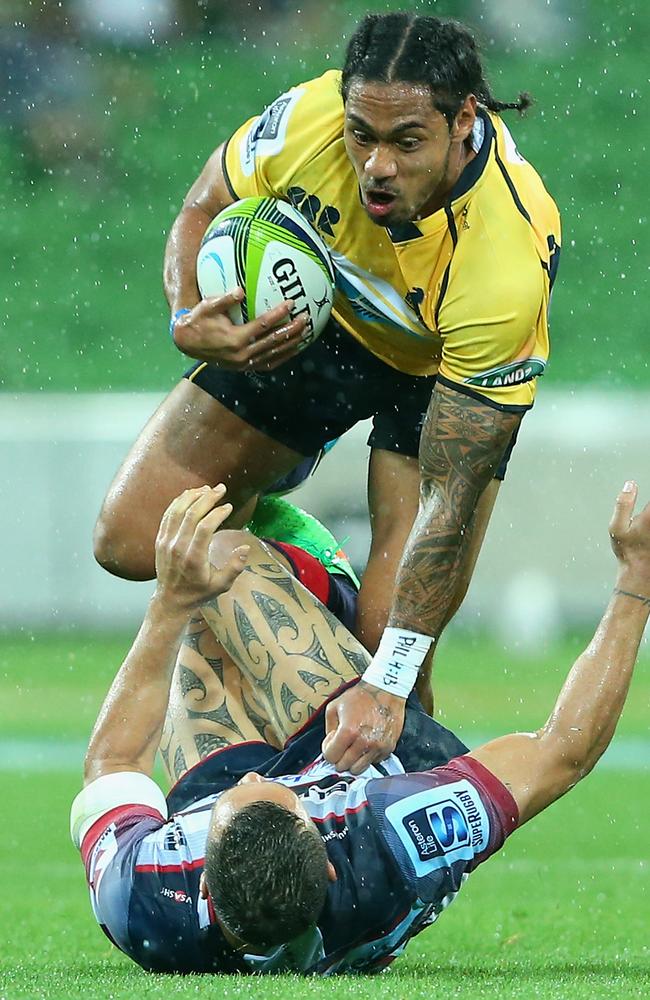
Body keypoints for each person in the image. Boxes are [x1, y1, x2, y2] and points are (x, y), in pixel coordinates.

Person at [93, 12, 561, 736]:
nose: (376, 166)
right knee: (129, 542)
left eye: (407, 142)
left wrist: (395, 674)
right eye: (362, 136)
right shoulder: (312, 116)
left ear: (464, 119)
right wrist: (187, 312)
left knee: (385, 665)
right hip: (325, 325)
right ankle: (305, 553)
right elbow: (202, 204)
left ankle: (404, 805)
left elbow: (452, 501)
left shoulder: (503, 261)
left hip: (440, 376)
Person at [74, 480, 650, 974]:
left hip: (267, 852)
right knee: (230, 554)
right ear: (326, 857)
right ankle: (330, 580)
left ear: (203, 885)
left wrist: (170, 601)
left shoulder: (144, 900)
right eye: (266, 792)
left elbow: (113, 764)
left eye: (241, 794)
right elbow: (562, 752)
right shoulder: (397, 836)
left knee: (202, 589)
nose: (251, 778)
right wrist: (637, 577)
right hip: (366, 758)